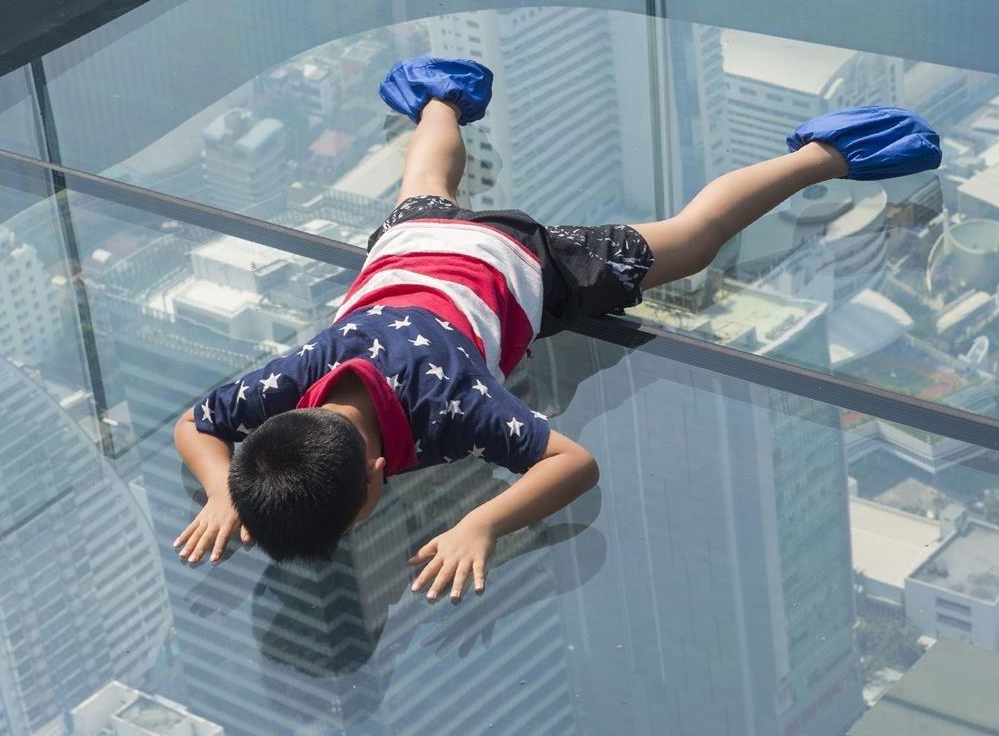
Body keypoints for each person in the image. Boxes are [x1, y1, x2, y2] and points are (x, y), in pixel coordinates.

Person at [173, 56, 940, 602]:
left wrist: (483, 522)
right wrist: (221, 488)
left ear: (377, 480)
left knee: (693, 242)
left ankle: (830, 153)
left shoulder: (452, 403)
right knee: (425, 184)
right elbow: (199, 425)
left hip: (528, 265)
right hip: (413, 251)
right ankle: (440, 96)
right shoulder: (296, 377)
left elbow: (573, 465)